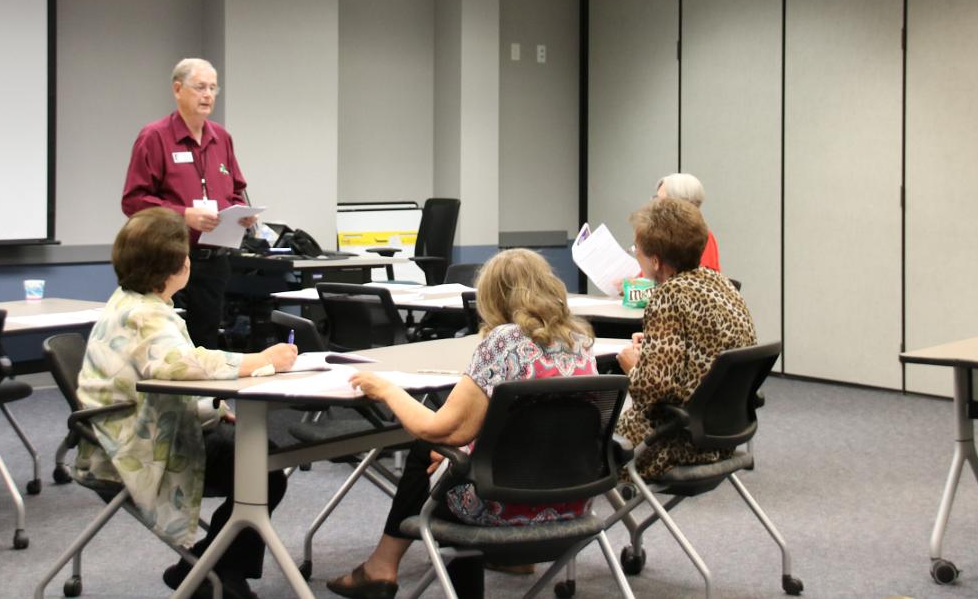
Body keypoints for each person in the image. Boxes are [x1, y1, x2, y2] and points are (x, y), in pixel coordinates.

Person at [326, 249, 597, 599]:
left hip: (503, 506)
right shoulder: (580, 341)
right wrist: (466, 447)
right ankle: (513, 560)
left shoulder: (503, 341)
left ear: (492, 297)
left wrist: (387, 390)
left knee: (430, 452)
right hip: (572, 501)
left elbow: (438, 429)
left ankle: (381, 567)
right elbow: (538, 427)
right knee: (452, 457)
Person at [75, 207, 298, 599]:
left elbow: (168, 374)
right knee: (262, 467)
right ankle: (215, 574)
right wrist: (261, 360)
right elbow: (184, 365)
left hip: (125, 433)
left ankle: (204, 570)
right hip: (136, 447)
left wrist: (213, 409)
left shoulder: (131, 303)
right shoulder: (145, 316)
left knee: (259, 461)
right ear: (178, 266)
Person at [615, 197, 756, 479]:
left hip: (674, 443)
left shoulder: (669, 296)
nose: (636, 255)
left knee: (585, 439)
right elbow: (707, 349)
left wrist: (632, 365)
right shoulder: (721, 283)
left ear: (655, 260)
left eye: (636, 249)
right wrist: (655, 345)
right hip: (723, 435)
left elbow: (652, 390)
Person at [122, 58, 257, 349]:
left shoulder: (222, 138)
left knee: (206, 343)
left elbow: (236, 192)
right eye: (200, 87)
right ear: (177, 89)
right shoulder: (155, 136)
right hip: (167, 259)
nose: (207, 95)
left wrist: (242, 215)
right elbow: (133, 201)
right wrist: (184, 215)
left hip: (213, 261)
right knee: (167, 344)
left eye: (212, 88)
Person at [655, 172, 721, 272]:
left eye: (660, 200)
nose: (655, 205)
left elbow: (700, 278)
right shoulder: (661, 234)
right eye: (655, 198)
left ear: (679, 203)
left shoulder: (699, 237)